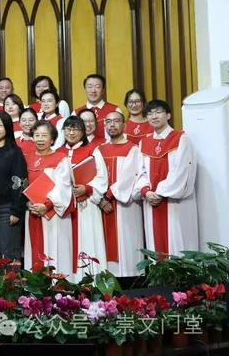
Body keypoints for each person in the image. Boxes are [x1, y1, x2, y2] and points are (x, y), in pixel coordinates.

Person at [136, 99, 198, 255]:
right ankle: (159, 279)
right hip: (151, 201)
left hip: (173, 202)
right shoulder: (144, 142)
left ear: (168, 115)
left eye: (158, 112)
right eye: (150, 113)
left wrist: (160, 192)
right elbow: (139, 171)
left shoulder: (180, 138)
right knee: (155, 245)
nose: (154, 116)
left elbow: (182, 170)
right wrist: (146, 191)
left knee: (176, 242)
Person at [96, 111, 145, 277]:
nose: (112, 125)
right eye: (108, 121)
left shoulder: (133, 149)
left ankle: (131, 279)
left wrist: (107, 196)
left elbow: (129, 177)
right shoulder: (99, 150)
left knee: (127, 242)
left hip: (126, 205)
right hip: (102, 205)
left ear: (124, 125)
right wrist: (100, 200)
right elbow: (94, 176)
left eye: (116, 121)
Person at [59, 116, 107, 281]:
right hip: (65, 207)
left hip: (86, 204)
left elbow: (102, 177)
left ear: (83, 132)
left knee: (87, 241)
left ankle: (90, 281)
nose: (71, 133)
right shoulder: (58, 152)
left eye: (76, 129)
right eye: (68, 129)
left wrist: (86, 188)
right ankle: (67, 282)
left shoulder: (92, 150)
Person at [23, 121, 74, 276]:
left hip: (53, 214)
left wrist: (47, 205)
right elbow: (23, 184)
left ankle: (58, 287)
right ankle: (35, 288)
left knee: (55, 249)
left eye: (44, 135)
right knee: (35, 250)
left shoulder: (60, 158)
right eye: (37, 135)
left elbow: (64, 186)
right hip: (32, 212)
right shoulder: (27, 158)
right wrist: (26, 202)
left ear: (52, 139)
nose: (40, 139)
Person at [0, 111, 27, 262]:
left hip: (7, 209)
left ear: (8, 127)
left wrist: (16, 210)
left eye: (0, 125)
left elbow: (20, 183)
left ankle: (12, 285)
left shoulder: (15, 152)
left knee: (9, 252)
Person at [75, 74, 120, 140]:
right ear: (85, 89)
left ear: (103, 90)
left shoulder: (115, 110)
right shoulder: (76, 113)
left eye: (97, 87)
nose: (93, 90)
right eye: (90, 87)